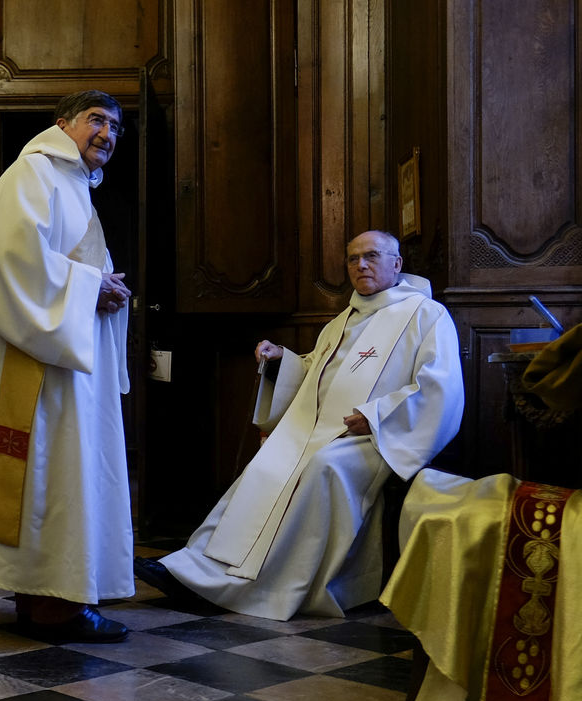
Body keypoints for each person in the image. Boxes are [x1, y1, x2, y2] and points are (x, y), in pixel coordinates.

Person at [136, 231, 464, 620]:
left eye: (372, 256)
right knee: (268, 463)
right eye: (353, 258)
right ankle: (195, 568)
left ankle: (265, 586)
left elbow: (439, 386)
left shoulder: (426, 315)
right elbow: (316, 370)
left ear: (397, 264)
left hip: (376, 438)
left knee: (323, 467)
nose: (361, 265)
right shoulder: (341, 321)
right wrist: (281, 360)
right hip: (315, 432)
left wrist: (377, 417)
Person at [0, 90, 135, 643]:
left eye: (116, 127)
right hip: (40, 359)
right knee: (51, 470)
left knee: (62, 472)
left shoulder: (75, 186)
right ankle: (53, 607)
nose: (107, 133)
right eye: (97, 120)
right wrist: (91, 286)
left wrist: (105, 288)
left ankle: (51, 598)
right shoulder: (33, 173)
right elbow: (14, 261)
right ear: (62, 124)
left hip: (68, 358)